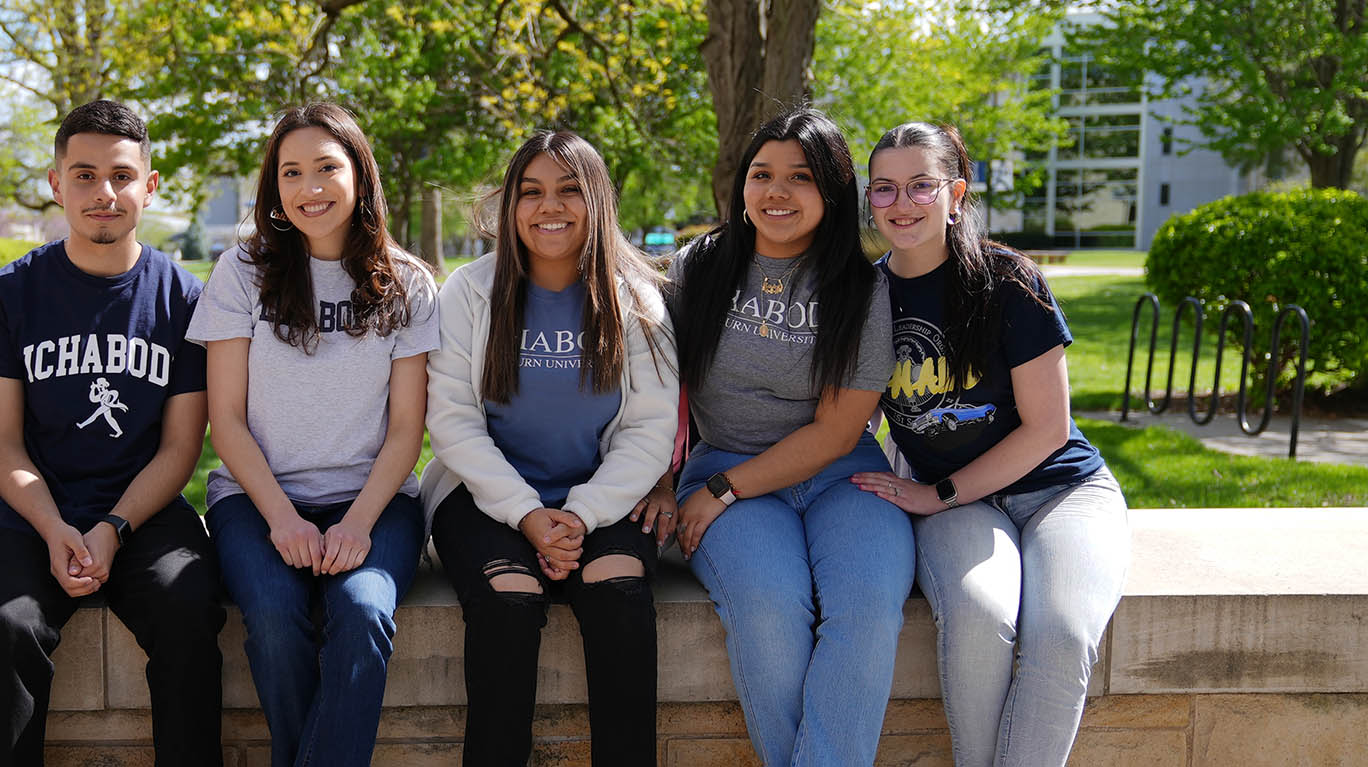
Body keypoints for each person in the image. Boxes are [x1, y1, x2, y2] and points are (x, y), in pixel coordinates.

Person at [851, 121, 1129, 767]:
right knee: (978, 621)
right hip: (958, 508)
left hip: (1061, 490)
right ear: (870, 200)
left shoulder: (1010, 280)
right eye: (885, 189)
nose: (902, 204)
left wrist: (935, 491)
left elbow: (1048, 427)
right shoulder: (863, 298)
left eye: (921, 185)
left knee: (1061, 633)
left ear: (955, 193)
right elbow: (853, 416)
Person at [0, 99, 223, 767]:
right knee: (0, 622)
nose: (103, 193)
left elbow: (180, 448)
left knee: (190, 609)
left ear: (149, 185)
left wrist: (113, 526)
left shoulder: (184, 299)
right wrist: (54, 528)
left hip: (145, 509)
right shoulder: (13, 295)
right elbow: (1, 441)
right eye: (83, 175)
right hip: (34, 510)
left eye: (121, 175)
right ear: (56, 183)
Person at [188, 102, 438, 767]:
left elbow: (407, 430)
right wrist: (281, 518)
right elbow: (227, 421)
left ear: (359, 175)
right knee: (272, 615)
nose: (310, 188)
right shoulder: (242, 273)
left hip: (376, 499)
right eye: (291, 173)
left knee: (361, 610)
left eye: (327, 167)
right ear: (275, 188)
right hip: (255, 495)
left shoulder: (406, 281)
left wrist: (357, 522)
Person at [666, 107, 911, 767]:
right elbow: (659, 390)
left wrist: (721, 489)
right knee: (771, 608)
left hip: (841, 474)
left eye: (799, 177)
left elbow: (836, 430)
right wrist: (687, 482)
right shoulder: (700, 266)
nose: (776, 192)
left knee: (866, 606)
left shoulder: (862, 288)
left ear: (832, 191)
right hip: (728, 464)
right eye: (761, 174)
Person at [423, 130, 676, 766]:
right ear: (510, 207)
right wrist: (527, 514)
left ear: (597, 201)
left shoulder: (637, 300)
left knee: (618, 593)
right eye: (530, 192)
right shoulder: (470, 291)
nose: (549, 206)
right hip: (482, 498)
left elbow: (650, 426)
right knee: (509, 602)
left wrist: (583, 515)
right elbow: (451, 422)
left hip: (603, 496)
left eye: (569, 190)